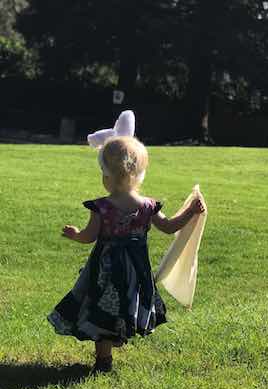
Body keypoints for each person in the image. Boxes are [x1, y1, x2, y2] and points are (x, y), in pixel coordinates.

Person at [48, 132, 205, 373]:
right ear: (140, 174)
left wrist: (75, 234)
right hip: (135, 272)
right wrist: (191, 212)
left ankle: (103, 360)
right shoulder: (148, 206)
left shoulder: (102, 207)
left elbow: (90, 237)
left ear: (107, 176)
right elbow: (170, 226)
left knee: (101, 308)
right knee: (124, 305)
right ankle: (118, 337)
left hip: (105, 271)